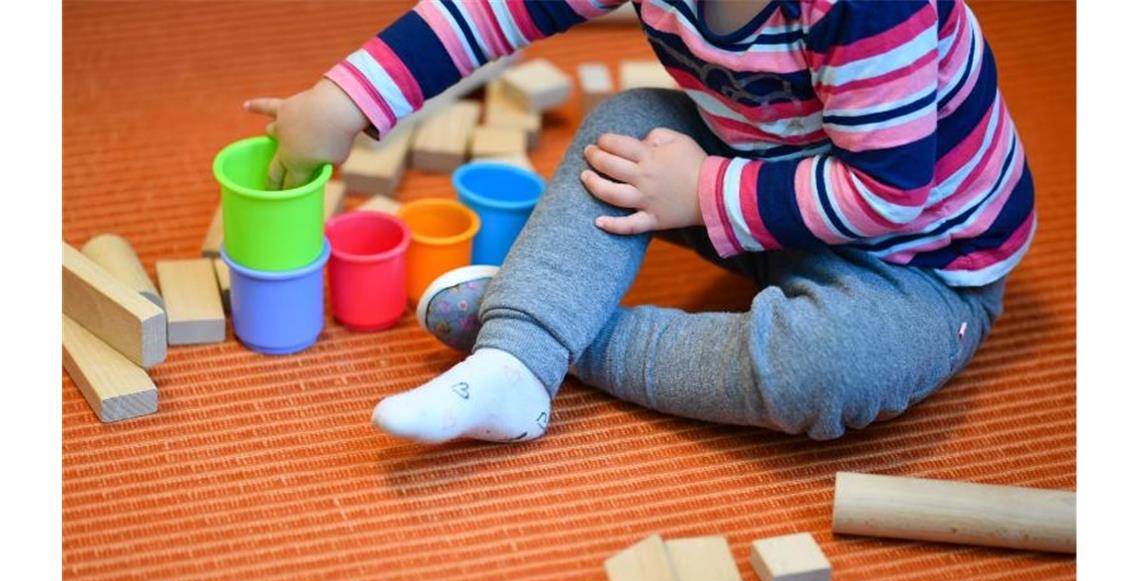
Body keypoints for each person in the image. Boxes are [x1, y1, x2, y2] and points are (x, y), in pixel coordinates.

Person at [245, 0, 1034, 443]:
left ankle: (551, 333)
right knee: (624, 126)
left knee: (825, 370)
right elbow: (491, 13)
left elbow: (891, 192)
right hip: (756, 180)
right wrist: (346, 99)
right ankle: (518, 362)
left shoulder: (868, 7)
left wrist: (704, 193)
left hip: (919, 263)